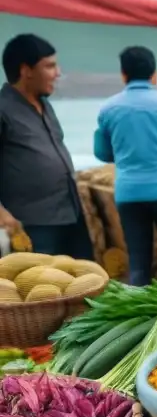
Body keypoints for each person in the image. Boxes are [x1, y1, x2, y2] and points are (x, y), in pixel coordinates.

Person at [93, 47, 157, 289]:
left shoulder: (108, 109)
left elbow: (102, 153)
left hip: (129, 193)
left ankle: (142, 318)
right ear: (154, 75)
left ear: (123, 74)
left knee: (139, 261)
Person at [0, 34, 90, 258]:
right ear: (26, 70)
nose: (57, 73)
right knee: (40, 289)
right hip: (31, 224)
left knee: (80, 283)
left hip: (70, 214)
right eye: (49, 66)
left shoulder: (45, 106)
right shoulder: (3, 110)